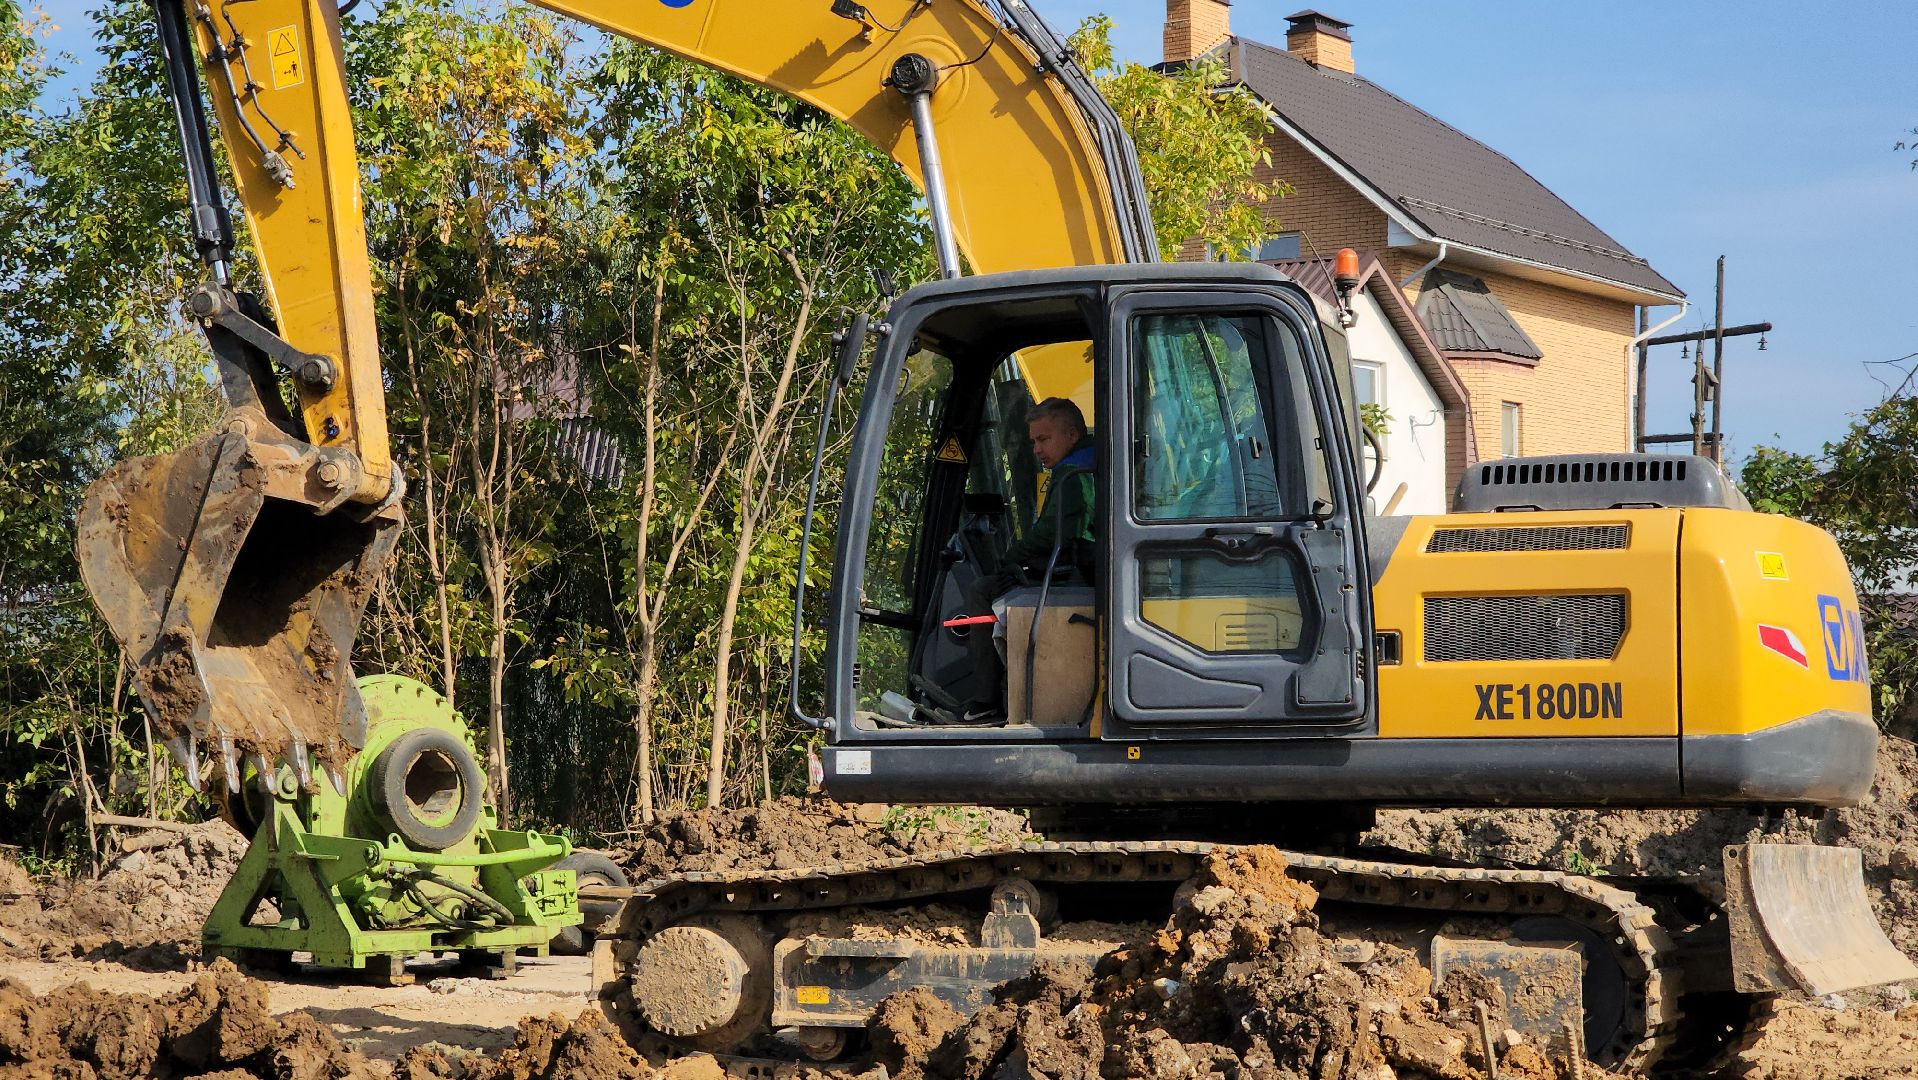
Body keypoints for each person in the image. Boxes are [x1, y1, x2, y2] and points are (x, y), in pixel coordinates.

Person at [962, 397, 1095, 720]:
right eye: (1034, 441)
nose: (1036, 449)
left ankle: (986, 702)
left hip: (1075, 575)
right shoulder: (1090, 461)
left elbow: (1051, 535)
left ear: (1072, 435)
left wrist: (1009, 557)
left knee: (982, 589)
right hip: (1081, 567)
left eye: (1043, 439)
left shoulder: (1073, 476)